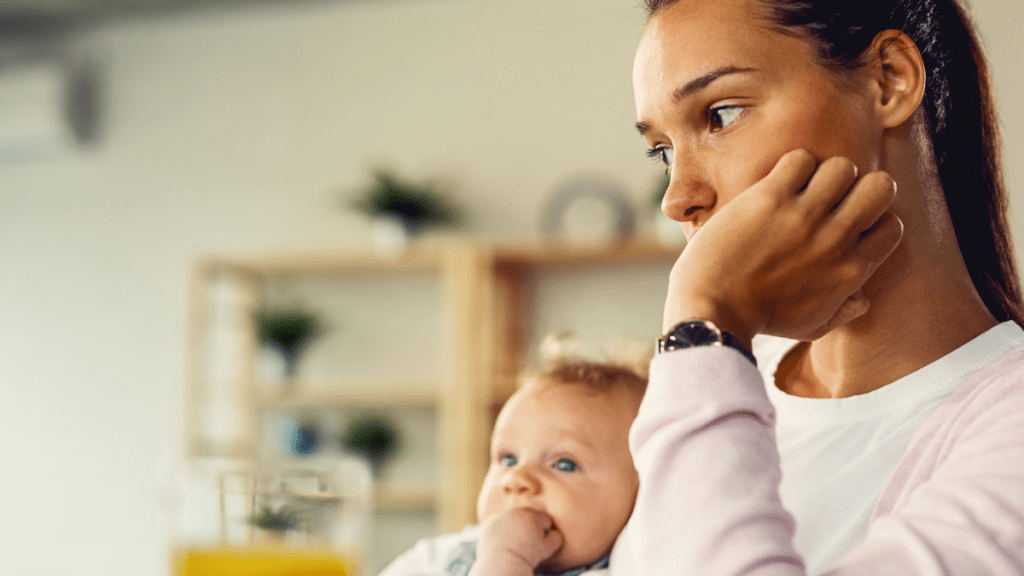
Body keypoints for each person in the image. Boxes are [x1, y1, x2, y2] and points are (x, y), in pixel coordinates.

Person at [625, 0, 1024, 574]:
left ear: (890, 80)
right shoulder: (719, 378)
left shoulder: (704, 356)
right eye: (662, 151)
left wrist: (704, 318)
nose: (676, 196)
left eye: (722, 114)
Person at [378, 357, 647, 576]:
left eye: (564, 464)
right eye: (508, 459)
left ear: (642, 492)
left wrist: (506, 560)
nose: (517, 478)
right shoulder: (441, 556)